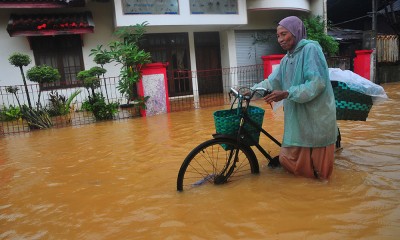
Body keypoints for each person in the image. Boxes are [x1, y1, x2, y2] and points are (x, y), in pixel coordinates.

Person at [251, 16, 337, 180]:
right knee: (287, 159)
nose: (280, 39)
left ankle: (321, 199)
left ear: (296, 33)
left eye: (284, 34)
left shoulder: (311, 49)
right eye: (278, 36)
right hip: (297, 120)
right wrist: (251, 91)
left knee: (320, 172)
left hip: (316, 118)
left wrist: (287, 93)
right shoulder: (286, 59)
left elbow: (317, 83)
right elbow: (272, 81)